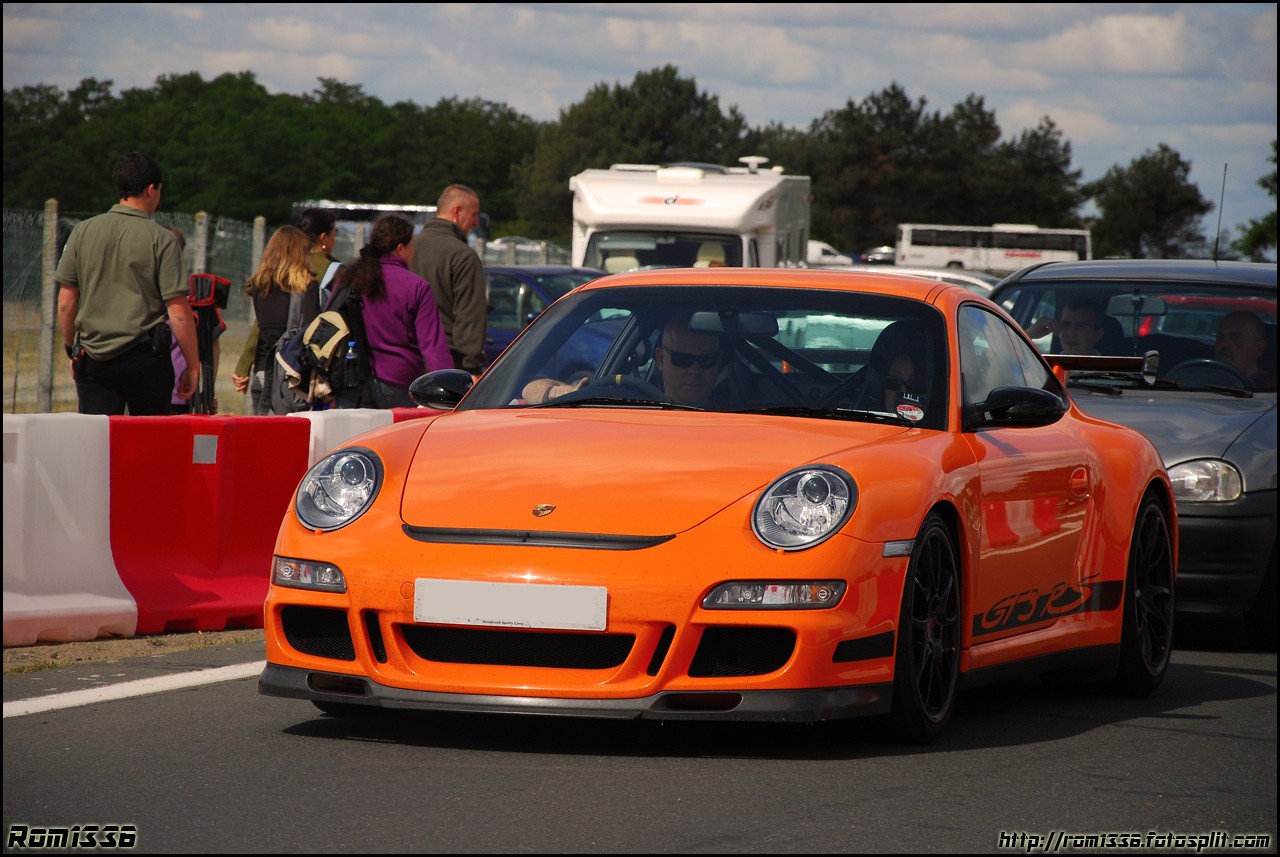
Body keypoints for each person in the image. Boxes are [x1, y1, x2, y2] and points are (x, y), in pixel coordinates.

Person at [55, 152, 200, 415]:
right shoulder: (162, 240)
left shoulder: (82, 232)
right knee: (150, 445)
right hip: (145, 357)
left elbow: (66, 303)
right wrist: (192, 365)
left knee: (98, 443)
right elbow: (178, 312)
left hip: (93, 356)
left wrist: (72, 348)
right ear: (151, 189)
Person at [335, 215, 451, 408]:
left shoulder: (350, 278)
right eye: (412, 245)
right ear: (400, 248)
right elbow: (432, 346)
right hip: (400, 382)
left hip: (351, 376)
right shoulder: (416, 287)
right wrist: (449, 388)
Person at [233, 208, 342, 402]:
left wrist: (243, 365)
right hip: (294, 373)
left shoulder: (260, 284)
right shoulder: (321, 276)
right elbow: (311, 333)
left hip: (263, 369)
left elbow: (259, 327)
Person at [522, 314, 725, 407]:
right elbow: (529, 390)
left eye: (706, 360)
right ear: (661, 360)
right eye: (683, 359)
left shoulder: (750, 412)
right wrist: (561, 393)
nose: (694, 370)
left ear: (719, 360)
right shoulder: (628, 402)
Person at [239, 225, 321, 414]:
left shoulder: (259, 286)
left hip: (261, 373)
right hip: (290, 380)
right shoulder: (307, 286)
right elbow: (309, 335)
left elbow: (262, 330)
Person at [409, 184, 488, 378]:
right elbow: (469, 318)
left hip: (407, 360)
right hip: (449, 365)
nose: (476, 222)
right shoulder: (463, 256)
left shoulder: (407, 249)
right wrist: (473, 368)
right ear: (457, 211)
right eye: (474, 214)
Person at [163, 226, 224, 414]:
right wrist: (208, 390)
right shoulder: (199, 297)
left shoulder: (143, 294)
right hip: (188, 391)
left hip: (155, 390)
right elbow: (213, 346)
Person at [1215, 310, 1276, 390]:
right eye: (1220, 336)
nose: (1224, 343)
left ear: (1259, 347)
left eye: (1235, 337)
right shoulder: (1201, 379)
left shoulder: (1271, 388)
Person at [1025, 296, 1105, 355]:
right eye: (1066, 325)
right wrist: (1027, 335)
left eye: (1081, 326)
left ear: (1098, 334)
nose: (1071, 334)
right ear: (1058, 328)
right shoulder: (1042, 364)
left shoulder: (1111, 371)